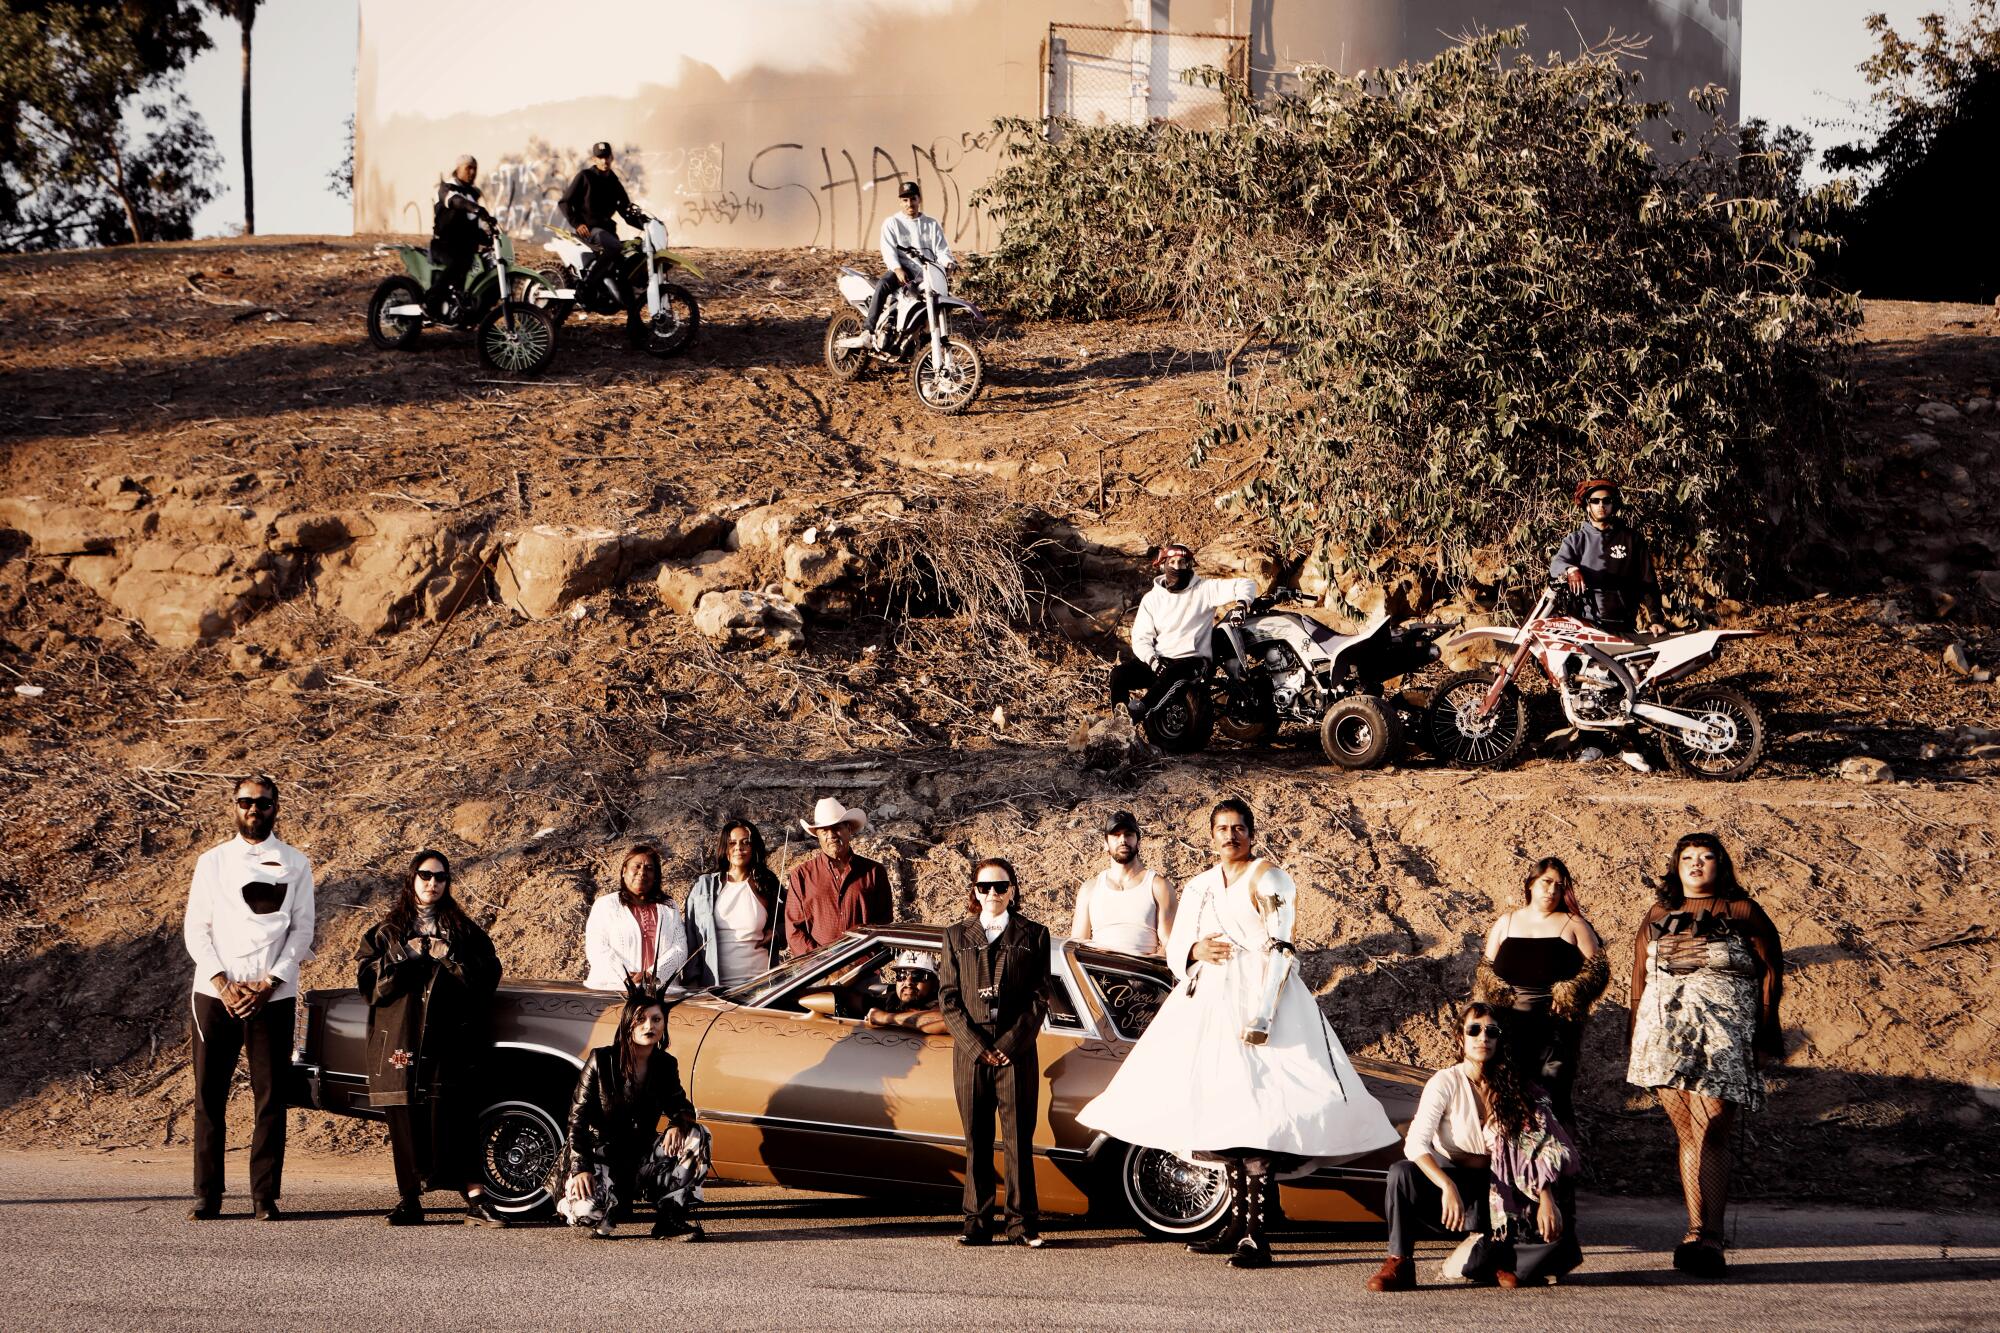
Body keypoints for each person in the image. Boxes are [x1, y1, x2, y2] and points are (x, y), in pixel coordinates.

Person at [1079, 798, 1398, 1268]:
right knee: (1221, 1107)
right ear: (1212, 835)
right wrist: (1193, 950)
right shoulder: (1200, 884)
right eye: (1222, 828)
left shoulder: (1270, 877)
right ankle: (1234, 1221)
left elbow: (1283, 948)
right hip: (1209, 1004)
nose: (1230, 836)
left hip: (1262, 1003)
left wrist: (1263, 1015)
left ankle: (1256, 1231)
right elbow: (1177, 945)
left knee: (1261, 1110)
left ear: (1251, 833)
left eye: (1238, 828)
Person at [1628, 832, 1784, 1279]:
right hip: (1665, 1036)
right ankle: (1694, 1231)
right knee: (1688, 1134)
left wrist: (1764, 1030)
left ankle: (1712, 1234)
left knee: (1712, 1126)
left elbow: (1771, 970)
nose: (1696, 865)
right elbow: (1640, 977)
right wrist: (1634, 1033)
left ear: (1722, 865)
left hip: (1724, 1035)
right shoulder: (1659, 913)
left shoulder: (1742, 911)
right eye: (1687, 858)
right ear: (1676, 867)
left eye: (1707, 857)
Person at [1364, 1003, 1580, 1291]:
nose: (1483, 1038)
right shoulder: (1445, 1082)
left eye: (1492, 1032)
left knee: (1533, 1262)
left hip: (1502, 1187)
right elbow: (1415, 1142)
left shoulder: (1513, 1086)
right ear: (1460, 1038)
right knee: (1401, 1174)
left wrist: (1546, 1199)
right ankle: (1399, 1261)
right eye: (1474, 1030)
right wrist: (1446, 1186)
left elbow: (1537, 1147)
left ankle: (1499, 1257)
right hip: (1458, 1184)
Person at [183, 774, 315, 1222]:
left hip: (271, 998)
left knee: (271, 1096)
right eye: (245, 802)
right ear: (233, 806)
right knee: (208, 1096)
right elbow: (196, 929)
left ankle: (264, 1197)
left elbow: (303, 930)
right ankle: (207, 1196)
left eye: (262, 803)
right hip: (214, 994)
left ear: (276, 807)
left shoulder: (296, 863)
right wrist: (222, 983)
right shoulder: (212, 862)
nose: (253, 809)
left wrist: (269, 983)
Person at [355, 850, 506, 1227]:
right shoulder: (385, 932)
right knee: (403, 1114)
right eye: (425, 875)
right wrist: (405, 955)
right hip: (400, 1038)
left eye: (440, 877)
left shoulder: (463, 930)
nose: (432, 883)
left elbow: (487, 977)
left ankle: (475, 1198)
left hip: (449, 1037)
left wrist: (448, 955)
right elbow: (370, 987)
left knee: (456, 1112)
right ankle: (409, 1199)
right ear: (412, 879)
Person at [938, 859, 1052, 1247]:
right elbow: (948, 998)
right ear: (974, 891)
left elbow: (1040, 998)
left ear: (1013, 890)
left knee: (1019, 1137)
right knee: (976, 1136)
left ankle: (1022, 1223)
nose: (992, 894)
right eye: (984, 887)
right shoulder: (955, 936)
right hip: (971, 1051)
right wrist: (977, 1046)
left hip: (1016, 1049)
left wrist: (1007, 1046)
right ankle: (977, 1221)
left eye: (1000, 887)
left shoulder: (1034, 935)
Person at [555, 983, 710, 1241]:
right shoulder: (601, 1060)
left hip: (641, 1158)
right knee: (586, 1212)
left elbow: (682, 1106)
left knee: (697, 1133)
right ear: (628, 1024)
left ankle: (669, 1218)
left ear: (664, 1025)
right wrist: (580, 1167)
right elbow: (576, 1120)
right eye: (641, 1019)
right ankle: (577, 1202)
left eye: (656, 1019)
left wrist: (676, 1124)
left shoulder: (665, 1064)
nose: (649, 1026)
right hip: (601, 1157)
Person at [1472, 857, 1608, 1129]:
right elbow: (1485, 969)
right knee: (1507, 1091)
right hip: (1507, 1024)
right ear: (1531, 883)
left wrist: (1569, 993)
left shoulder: (1574, 923)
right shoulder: (1506, 922)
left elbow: (1598, 971)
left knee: (1552, 1095)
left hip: (1554, 1027)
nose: (1552, 891)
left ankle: (1558, 1164)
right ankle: (1508, 1163)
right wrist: (1496, 996)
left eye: (1559, 885)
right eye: (1546, 882)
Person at [1551, 479, 1664, 770]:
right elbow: (1557, 564)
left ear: (1614, 504)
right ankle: (1593, 744)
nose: (1602, 505)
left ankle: (1630, 746)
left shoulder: (1631, 539)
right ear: (1586, 505)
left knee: (1625, 684)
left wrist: (1655, 619)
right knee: (1588, 685)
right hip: (1586, 624)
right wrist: (1571, 568)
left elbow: (1648, 581)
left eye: (1607, 500)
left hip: (1622, 623)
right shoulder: (1576, 540)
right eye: (1595, 501)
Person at [1108, 544, 1257, 723]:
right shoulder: (1152, 599)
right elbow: (1140, 638)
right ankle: (1117, 723)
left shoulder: (1204, 589)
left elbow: (1245, 584)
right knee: (1118, 675)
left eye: (1182, 562)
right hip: (1160, 661)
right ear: (1163, 565)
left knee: (1173, 675)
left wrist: (1242, 604)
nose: (1177, 567)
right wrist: (1152, 660)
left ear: (1189, 565)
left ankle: (1136, 713)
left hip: (1193, 661)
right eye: (1172, 562)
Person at [683, 820, 785, 990]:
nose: (739, 848)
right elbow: (691, 938)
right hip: (714, 989)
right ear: (725, 847)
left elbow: (792, 918)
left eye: (746, 842)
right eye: (732, 843)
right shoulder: (704, 887)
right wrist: (693, 986)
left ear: (754, 847)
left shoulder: (768, 884)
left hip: (761, 988)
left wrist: (777, 933)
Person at [783, 798, 891, 958]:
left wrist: (861, 958)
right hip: (818, 975)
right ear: (817, 836)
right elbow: (794, 930)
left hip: (864, 971)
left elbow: (884, 923)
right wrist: (822, 963)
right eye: (824, 831)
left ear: (848, 829)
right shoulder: (801, 875)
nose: (831, 835)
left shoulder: (874, 872)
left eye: (837, 828)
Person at [1069, 809, 1175, 956]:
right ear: (1105, 843)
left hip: (1141, 974)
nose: (1123, 840)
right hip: (1099, 974)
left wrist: (1148, 970)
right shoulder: (1090, 889)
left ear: (1138, 842)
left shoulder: (1158, 886)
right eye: (1116, 835)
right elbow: (1077, 945)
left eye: (1129, 834)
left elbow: (1170, 943)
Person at [584, 845, 689, 992]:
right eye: (637, 866)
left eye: (649, 868)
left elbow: (680, 947)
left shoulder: (669, 906)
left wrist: (652, 975)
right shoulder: (605, 905)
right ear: (624, 871)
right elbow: (596, 947)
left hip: (661, 992)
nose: (642, 872)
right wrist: (626, 977)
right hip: (614, 990)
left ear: (656, 876)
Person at [863, 180, 952, 349]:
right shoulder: (892, 223)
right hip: (903, 272)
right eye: (905, 200)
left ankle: (923, 341)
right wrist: (897, 268)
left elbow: (942, 249)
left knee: (939, 304)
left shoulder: (931, 224)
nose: (909, 203)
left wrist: (948, 262)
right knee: (882, 284)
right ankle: (868, 330)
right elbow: (888, 249)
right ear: (900, 201)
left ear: (919, 199)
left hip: (927, 275)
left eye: (912, 199)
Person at [560, 140, 648, 311]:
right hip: (590, 230)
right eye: (600, 158)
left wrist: (645, 223)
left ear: (612, 157)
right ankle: (586, 285)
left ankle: (634, 321)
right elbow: (564, 202)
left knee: (624, 267)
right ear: (594, 159)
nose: (604, 161)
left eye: (606, 157)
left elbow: (625, 211)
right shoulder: (585, 176)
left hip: (607, 232)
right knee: (615, 247)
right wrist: (577, 223)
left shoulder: (614, 181)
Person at [427, 154, 494, 319]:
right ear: (458, 169)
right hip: (444, 245)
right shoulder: (446, 188)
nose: (472, 172)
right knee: (459, 263)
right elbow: (455, 201)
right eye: (468, 168)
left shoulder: (473, 194)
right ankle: (430, 302)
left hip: (465, 247)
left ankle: (473, 311)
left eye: (475, 169)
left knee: (488, 267)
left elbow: (474, 227)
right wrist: (476, 208)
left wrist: (492, 235)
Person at [865, 949, 949, 1034]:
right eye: (901, 975)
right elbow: (856, 1001)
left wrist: (887, 1018)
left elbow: (946, 1021)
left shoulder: (942, 1002)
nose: (908, 982)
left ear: (934, 983)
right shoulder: (891, 1000)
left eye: (917, 976)